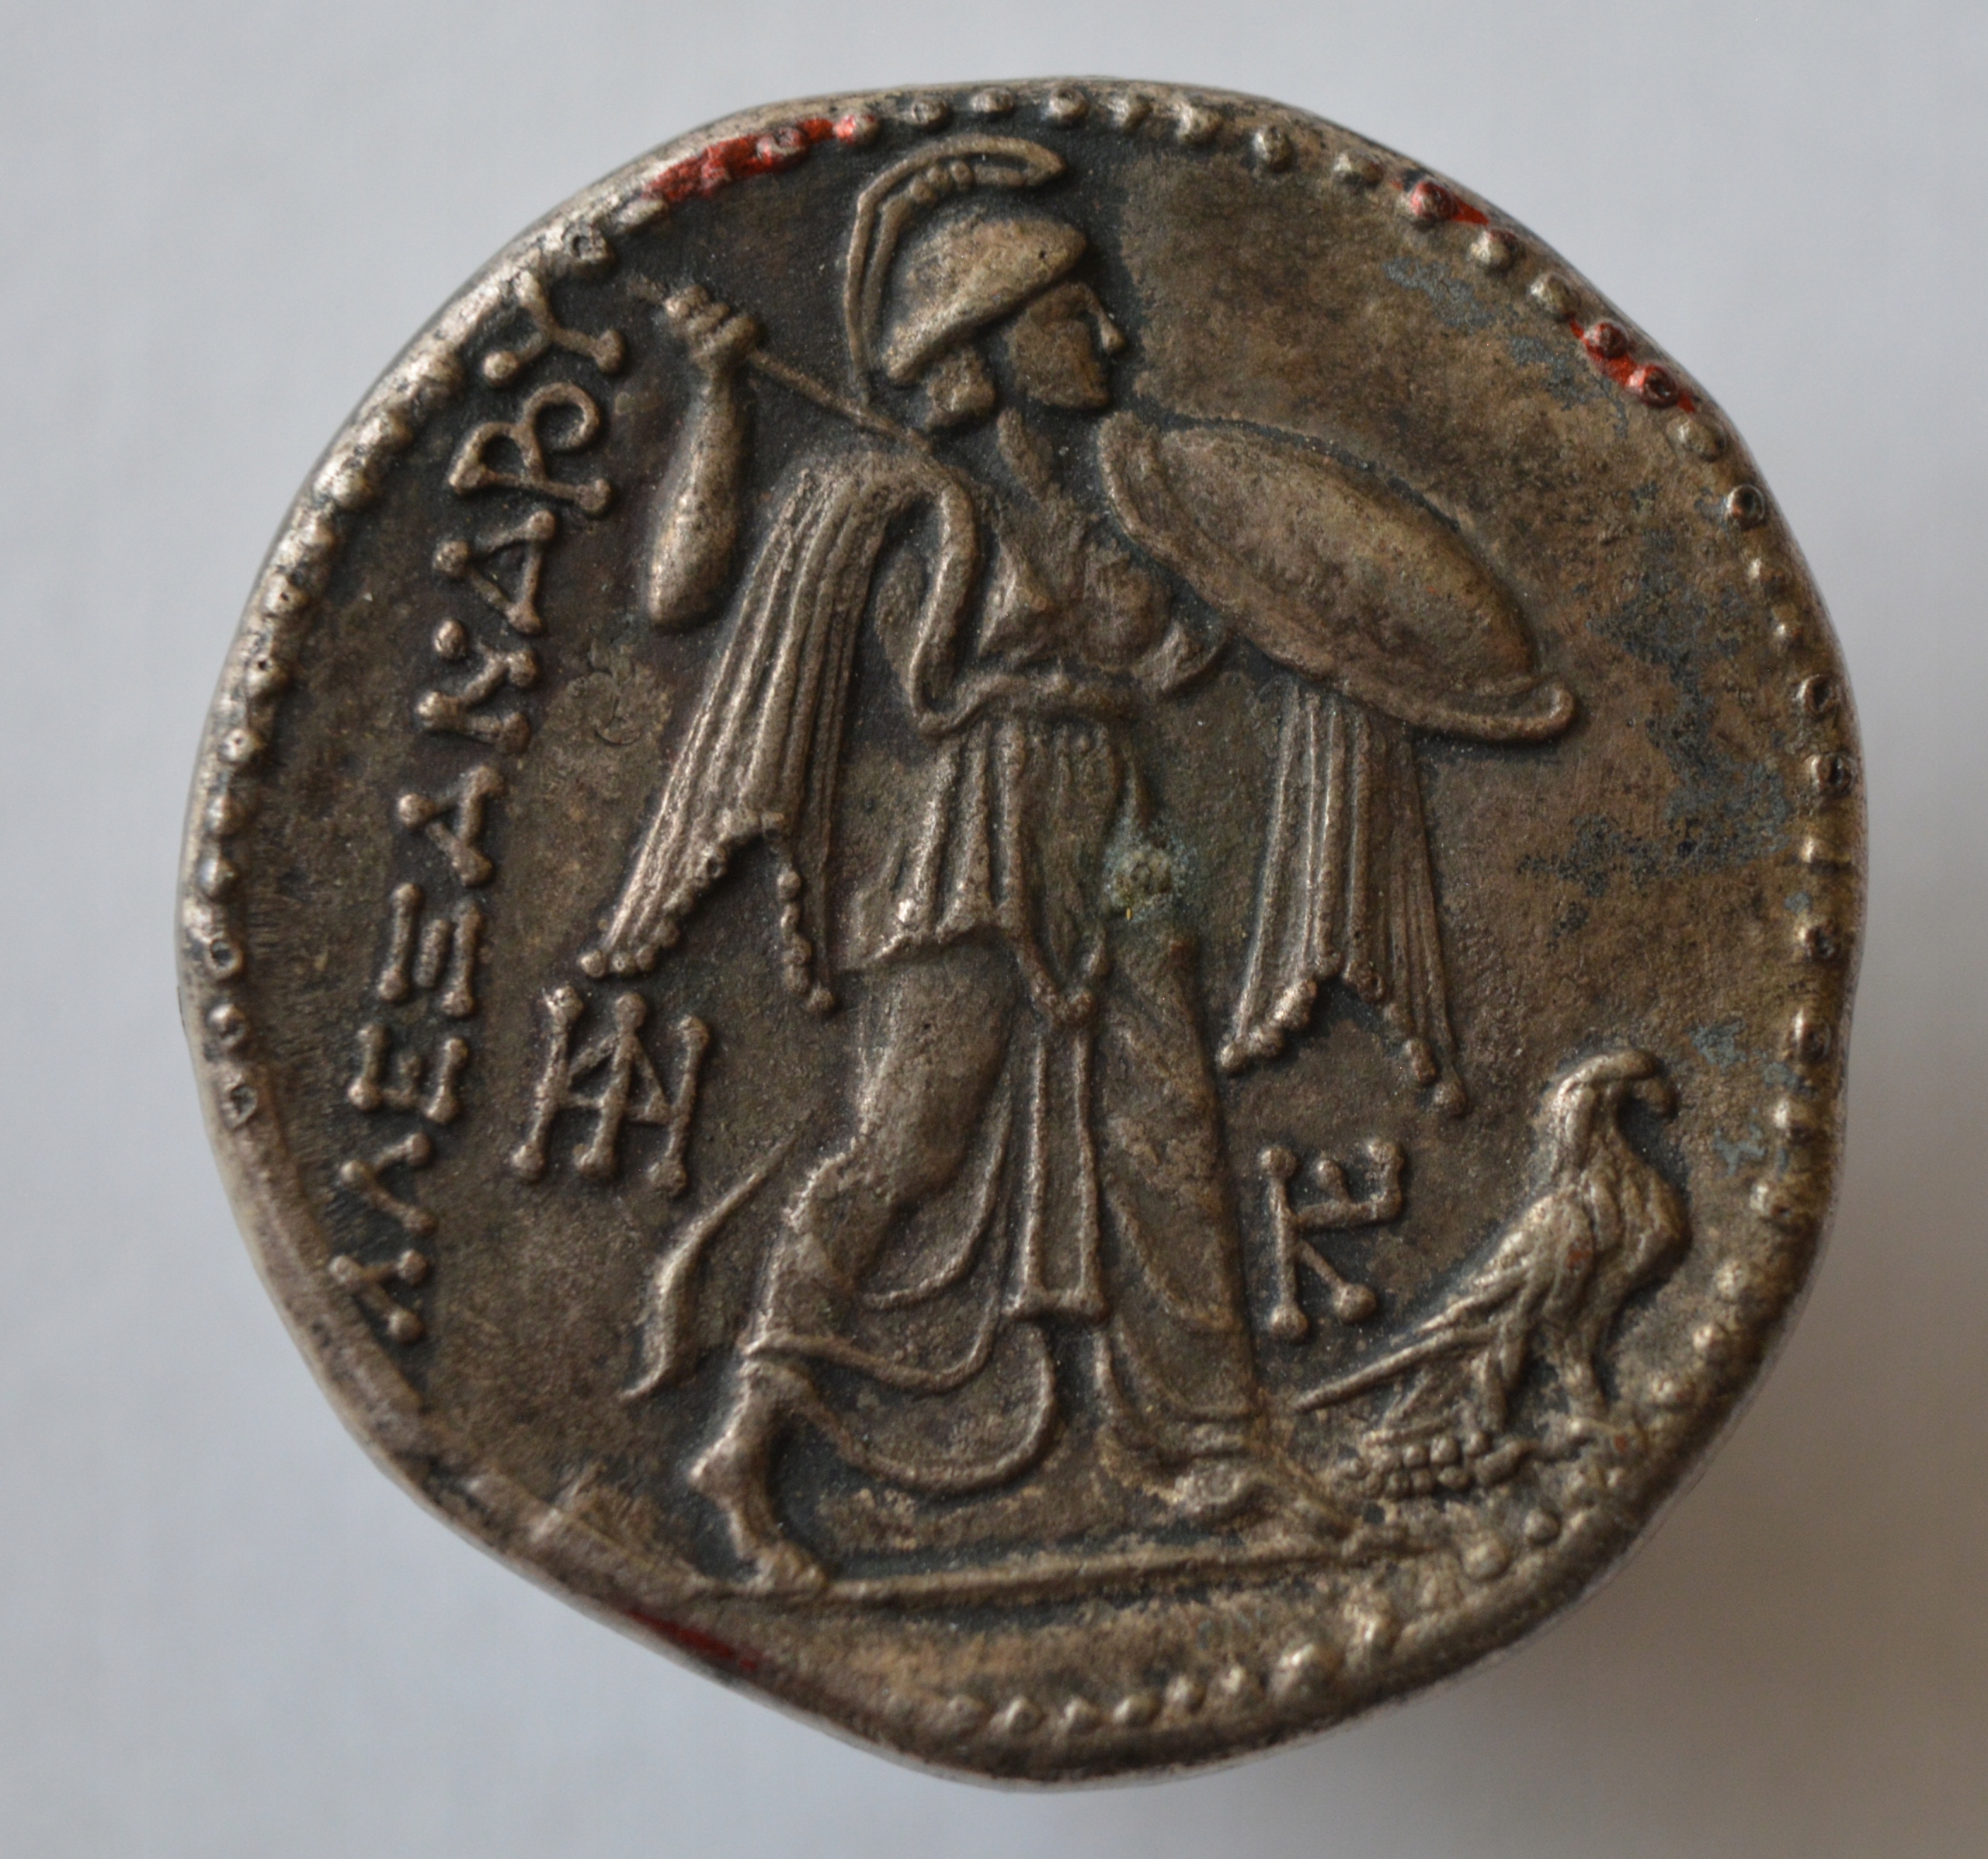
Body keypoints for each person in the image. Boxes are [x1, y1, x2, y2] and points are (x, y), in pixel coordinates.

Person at [596, 138, 1336, 1587]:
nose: (1107, 334)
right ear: (986, 348)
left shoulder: (1100, 507)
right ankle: (745, 1438)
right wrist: (722, 397)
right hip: (971, 830)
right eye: (1068, 313)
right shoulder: (903, 501)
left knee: (1169, 1121)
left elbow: (1186, 656)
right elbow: (683, 591)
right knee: (910, 1138)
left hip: (1123, 832)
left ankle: (1216, 1448)